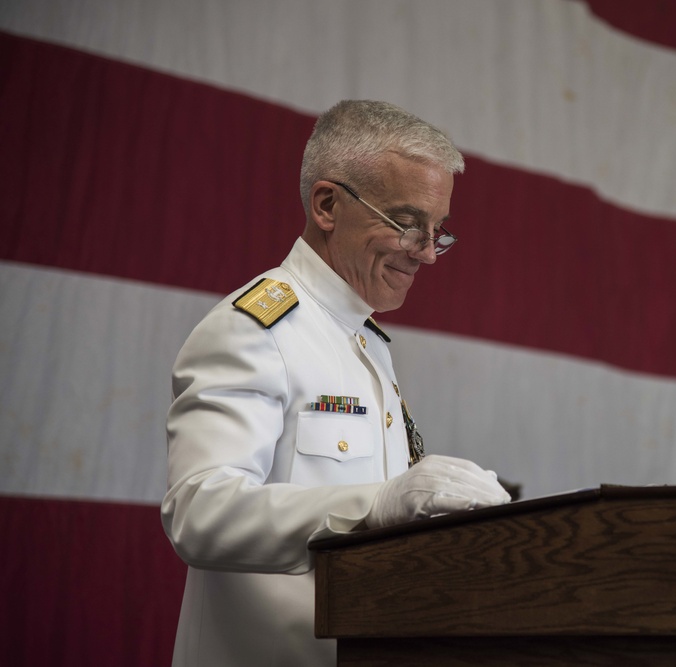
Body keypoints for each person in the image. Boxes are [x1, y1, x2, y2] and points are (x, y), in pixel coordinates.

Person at [161, 100, 511, 666]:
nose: (427, 252)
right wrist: (379, 503)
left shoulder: (364, 339)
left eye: (436, 230)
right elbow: (199, 514)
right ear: (327, 205)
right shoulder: (257, 329)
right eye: (406, 223)